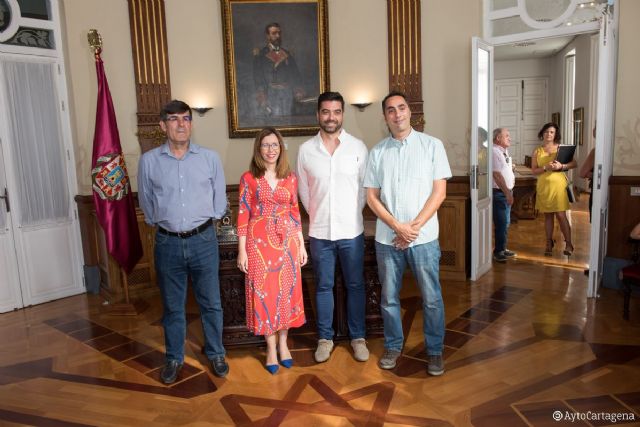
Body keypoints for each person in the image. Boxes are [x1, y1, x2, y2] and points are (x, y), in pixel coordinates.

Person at [138, 100, 228, 384]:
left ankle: (215, 352)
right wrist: (166, 224)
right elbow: (146, 203)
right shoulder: (149, 161)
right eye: (174, 119)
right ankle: (173, 357)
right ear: (163, 125)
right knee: (172, 306)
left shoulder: (209, 158)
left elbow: (220, 200)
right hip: (168, 244)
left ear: (191, 123)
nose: (181, 124)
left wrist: (205, 222)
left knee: (211, 302)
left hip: (204, 240)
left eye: (186, 119)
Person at [364, 91, 451, 376]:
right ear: (385, 116)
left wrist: (411, 229)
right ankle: (393, 345)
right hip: (387, 240)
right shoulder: (377, 152)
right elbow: (372, 198)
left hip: (424, 239)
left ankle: (435, 351)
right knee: (388, 297)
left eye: (401, 108)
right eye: (391, 110)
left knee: (432, 298)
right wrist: (396, 226)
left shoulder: (432, 146)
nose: (397, 114)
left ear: (409, 112)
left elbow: (439, 193)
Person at [296, 91, 369, 364]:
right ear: (318, 115)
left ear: (342, 114)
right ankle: (325, 339)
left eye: (336, 112)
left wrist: (350, 214)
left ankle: (358, 338)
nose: (331, 117)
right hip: (320, 233)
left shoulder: (358, 147)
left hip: (352, 231)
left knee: (355, 285)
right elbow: (304, 192)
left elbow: (364, 189)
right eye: (326, 112)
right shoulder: (305, 150)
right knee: (323, 286)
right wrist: (319, 215)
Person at [237, 127, 307, 375]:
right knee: (265, 294)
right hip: (257, 243)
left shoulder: (290, 177)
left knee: (285, 291)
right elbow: (243, 214)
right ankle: (270, 347)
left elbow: (295, 211)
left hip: (286, 240)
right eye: (265, 145)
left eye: (275, 145)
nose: (270, 150)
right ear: (258, 149)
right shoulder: (248, 178)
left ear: (281, 148)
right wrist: (241, 251)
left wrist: (300, 243)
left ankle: (284, 344)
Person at [531, 122, 577, 257]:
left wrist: (561, 166)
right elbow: (534, 171)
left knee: (561, 216)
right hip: (544, 186)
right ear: (542, 133)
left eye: (551, 132)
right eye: (546, 131)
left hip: (559, 186)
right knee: (548, 216)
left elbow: (574, 163)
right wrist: (546, 168)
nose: (548, 134)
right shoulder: (537, 151)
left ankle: (568, 243)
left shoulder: (561, 149)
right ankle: (548, 243)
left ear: (555, 134)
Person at [253, 23, 304, 118]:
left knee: (288, 123)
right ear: (268, 36)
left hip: (287, 95)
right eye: (274, 33)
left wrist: (298, 90)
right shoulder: (260, 55)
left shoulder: (287, 54)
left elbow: (295, 74)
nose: (278, 36)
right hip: (270, 95)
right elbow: (258, 77)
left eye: (279, 33)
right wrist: (262, 96)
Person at [492, 128, 517, 263]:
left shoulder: (502, 151)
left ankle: (502, 248)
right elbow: (496, 175)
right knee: (501, 223)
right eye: (506, 136)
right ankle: (498, 252)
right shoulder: (494, 151)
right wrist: (507, 193)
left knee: (506, 222)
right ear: (498, 138)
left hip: (505, 192)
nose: (510, 138)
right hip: (500, 193)